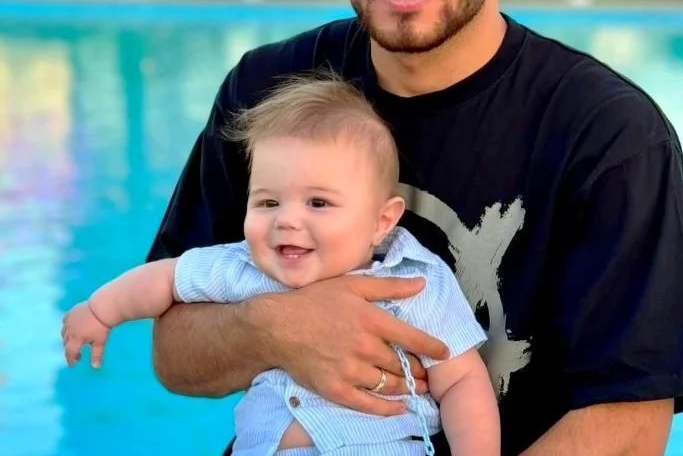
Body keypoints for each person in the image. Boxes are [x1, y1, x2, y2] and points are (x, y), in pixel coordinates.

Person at [145, 0, 683, 456]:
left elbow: (630, 423)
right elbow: (173, 350)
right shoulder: (270, 91)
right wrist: (278, 326)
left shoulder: (605, 134)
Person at [61, 75, 500, 456]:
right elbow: (166, 279)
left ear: (381, 221)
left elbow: (461, 381)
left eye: (318, 203)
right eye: (268, 202)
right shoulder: (242, 268)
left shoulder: (413, 279)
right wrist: (101, 310)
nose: (286, 220)